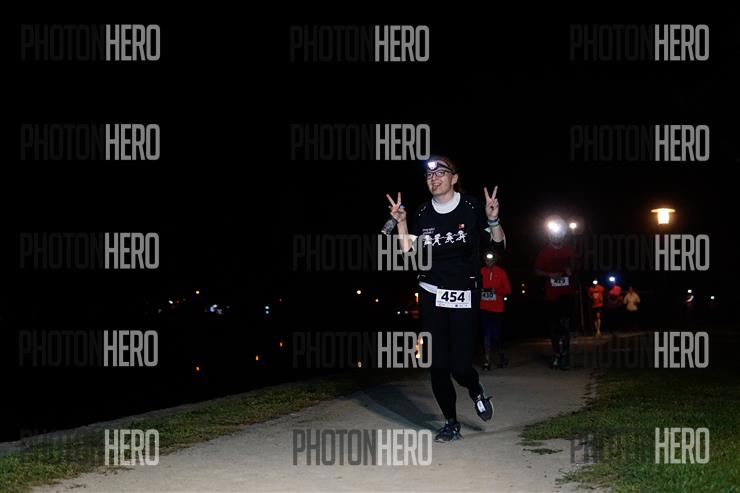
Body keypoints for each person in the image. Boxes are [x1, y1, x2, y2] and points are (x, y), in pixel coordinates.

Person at [386, 157, 505, 442]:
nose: (434, 178)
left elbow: (498, 244)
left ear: (454, 178)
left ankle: (475, 389)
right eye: (430, 175)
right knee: (437, 365)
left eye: (441, 173)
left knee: (460, 367)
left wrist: (493, 219)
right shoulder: (422, 212)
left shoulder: (472, 206)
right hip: (431, 292)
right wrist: (402, 223)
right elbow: (408, 252)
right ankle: (451, 423)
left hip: (464, 292)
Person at [534, 217, 575, 370]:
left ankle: (566, 356)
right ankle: (557, 354)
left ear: (563, 235)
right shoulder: (545, 251)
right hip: (551, 296)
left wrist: (571, 271)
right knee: (554, 327)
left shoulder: (569, 250)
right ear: (550, 235)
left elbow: (577, 267)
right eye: (554, 235)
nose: (557, 237)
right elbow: (537, 270)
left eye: (559, 234)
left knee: (566, 326)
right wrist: (550, 274)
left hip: (567, 294)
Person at [480, 250, 512, 370]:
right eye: (486, 259)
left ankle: (501, 356)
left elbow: (508, 290)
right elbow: (474, 287)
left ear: (495, 260)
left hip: (497, 309)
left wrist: (496, 290)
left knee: (496, 335)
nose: (488, 261)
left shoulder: (501, 272)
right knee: (486, 334)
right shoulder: (480, 271)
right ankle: (487, 360)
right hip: (483, 308)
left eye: (491, 259)